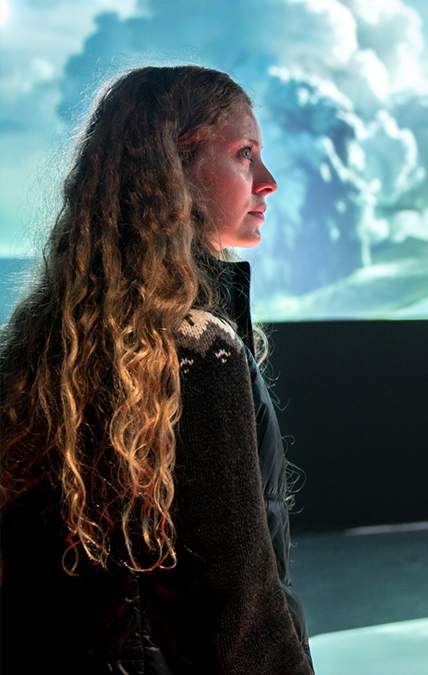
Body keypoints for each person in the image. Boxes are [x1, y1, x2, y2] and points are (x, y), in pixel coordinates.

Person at [0, 66, 313, 673]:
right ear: (175, 169)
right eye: (245, 154)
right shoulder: (196, 351)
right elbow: (236, 607)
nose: (268, 183)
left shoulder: (48, 345)